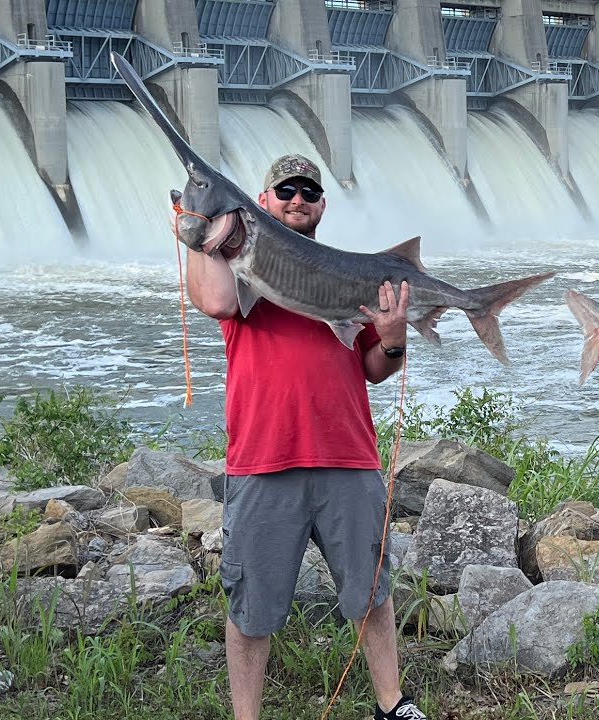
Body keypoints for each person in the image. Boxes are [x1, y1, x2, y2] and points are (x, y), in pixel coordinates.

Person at [185, 154, 427, 720]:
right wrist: (198, 233)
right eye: (285, 190)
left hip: (348, 455)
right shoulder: (236, 264)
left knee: (371, 591)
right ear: (262, 202)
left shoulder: (352, 275)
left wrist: (393, 337)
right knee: (251, 605)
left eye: (309, 192)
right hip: (263, 459)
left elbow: (375, 365)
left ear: (322, 205)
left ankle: (392, 705)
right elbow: (218, 302)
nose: (297, 199)